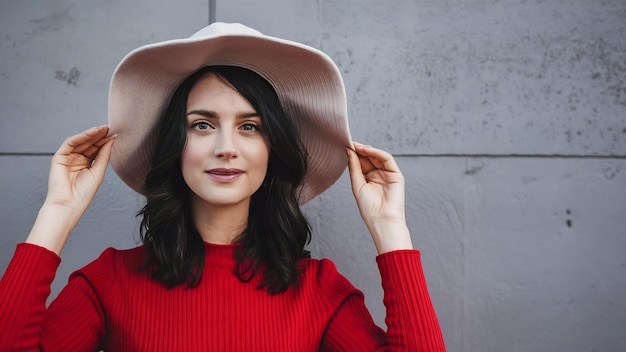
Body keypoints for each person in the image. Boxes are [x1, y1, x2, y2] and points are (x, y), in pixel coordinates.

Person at [0, 23, 445, 351]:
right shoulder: (111, 281)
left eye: (249, 126)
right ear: (176, 147)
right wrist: (57, 211)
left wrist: (390, 229)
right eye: (202, 125)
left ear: (273, 152)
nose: (226, 148)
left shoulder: (319, 291)